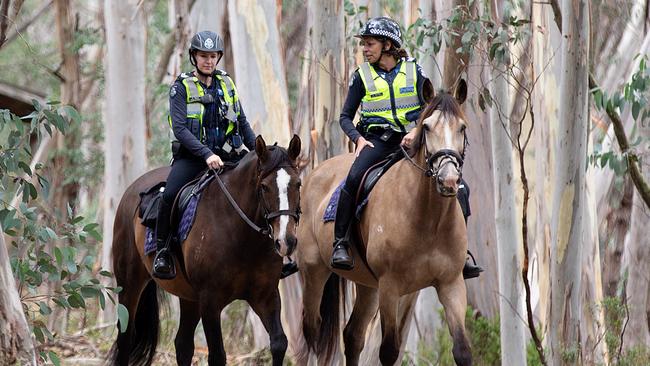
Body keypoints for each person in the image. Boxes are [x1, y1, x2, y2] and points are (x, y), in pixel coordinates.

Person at [329, 17, 483, 279]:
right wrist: (358, 138)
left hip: (412, 141)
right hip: (377, 141)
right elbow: (344, 117)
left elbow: (430, 106)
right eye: (364, 45)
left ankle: (462, 251)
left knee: (461, 187)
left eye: (369, 44)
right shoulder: (361, 76)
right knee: (353, 179)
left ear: (387, 45)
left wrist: (415, 130)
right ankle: (341, 243)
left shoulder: (414, 71)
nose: (365, 49)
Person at [152, 30, 256, 279]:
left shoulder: (227, 84)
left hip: (229, 156)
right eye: (203, 56)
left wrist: (259, 152)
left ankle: (270, 253)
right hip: (192, 158)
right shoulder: (181, 87)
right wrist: (206, 154)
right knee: (169, 195)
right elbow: (179, 128)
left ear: (218, 57)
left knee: (262, 186)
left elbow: (241, 122)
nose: (208, 61)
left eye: (213, 56)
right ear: (194, 57)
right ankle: (163, 252)